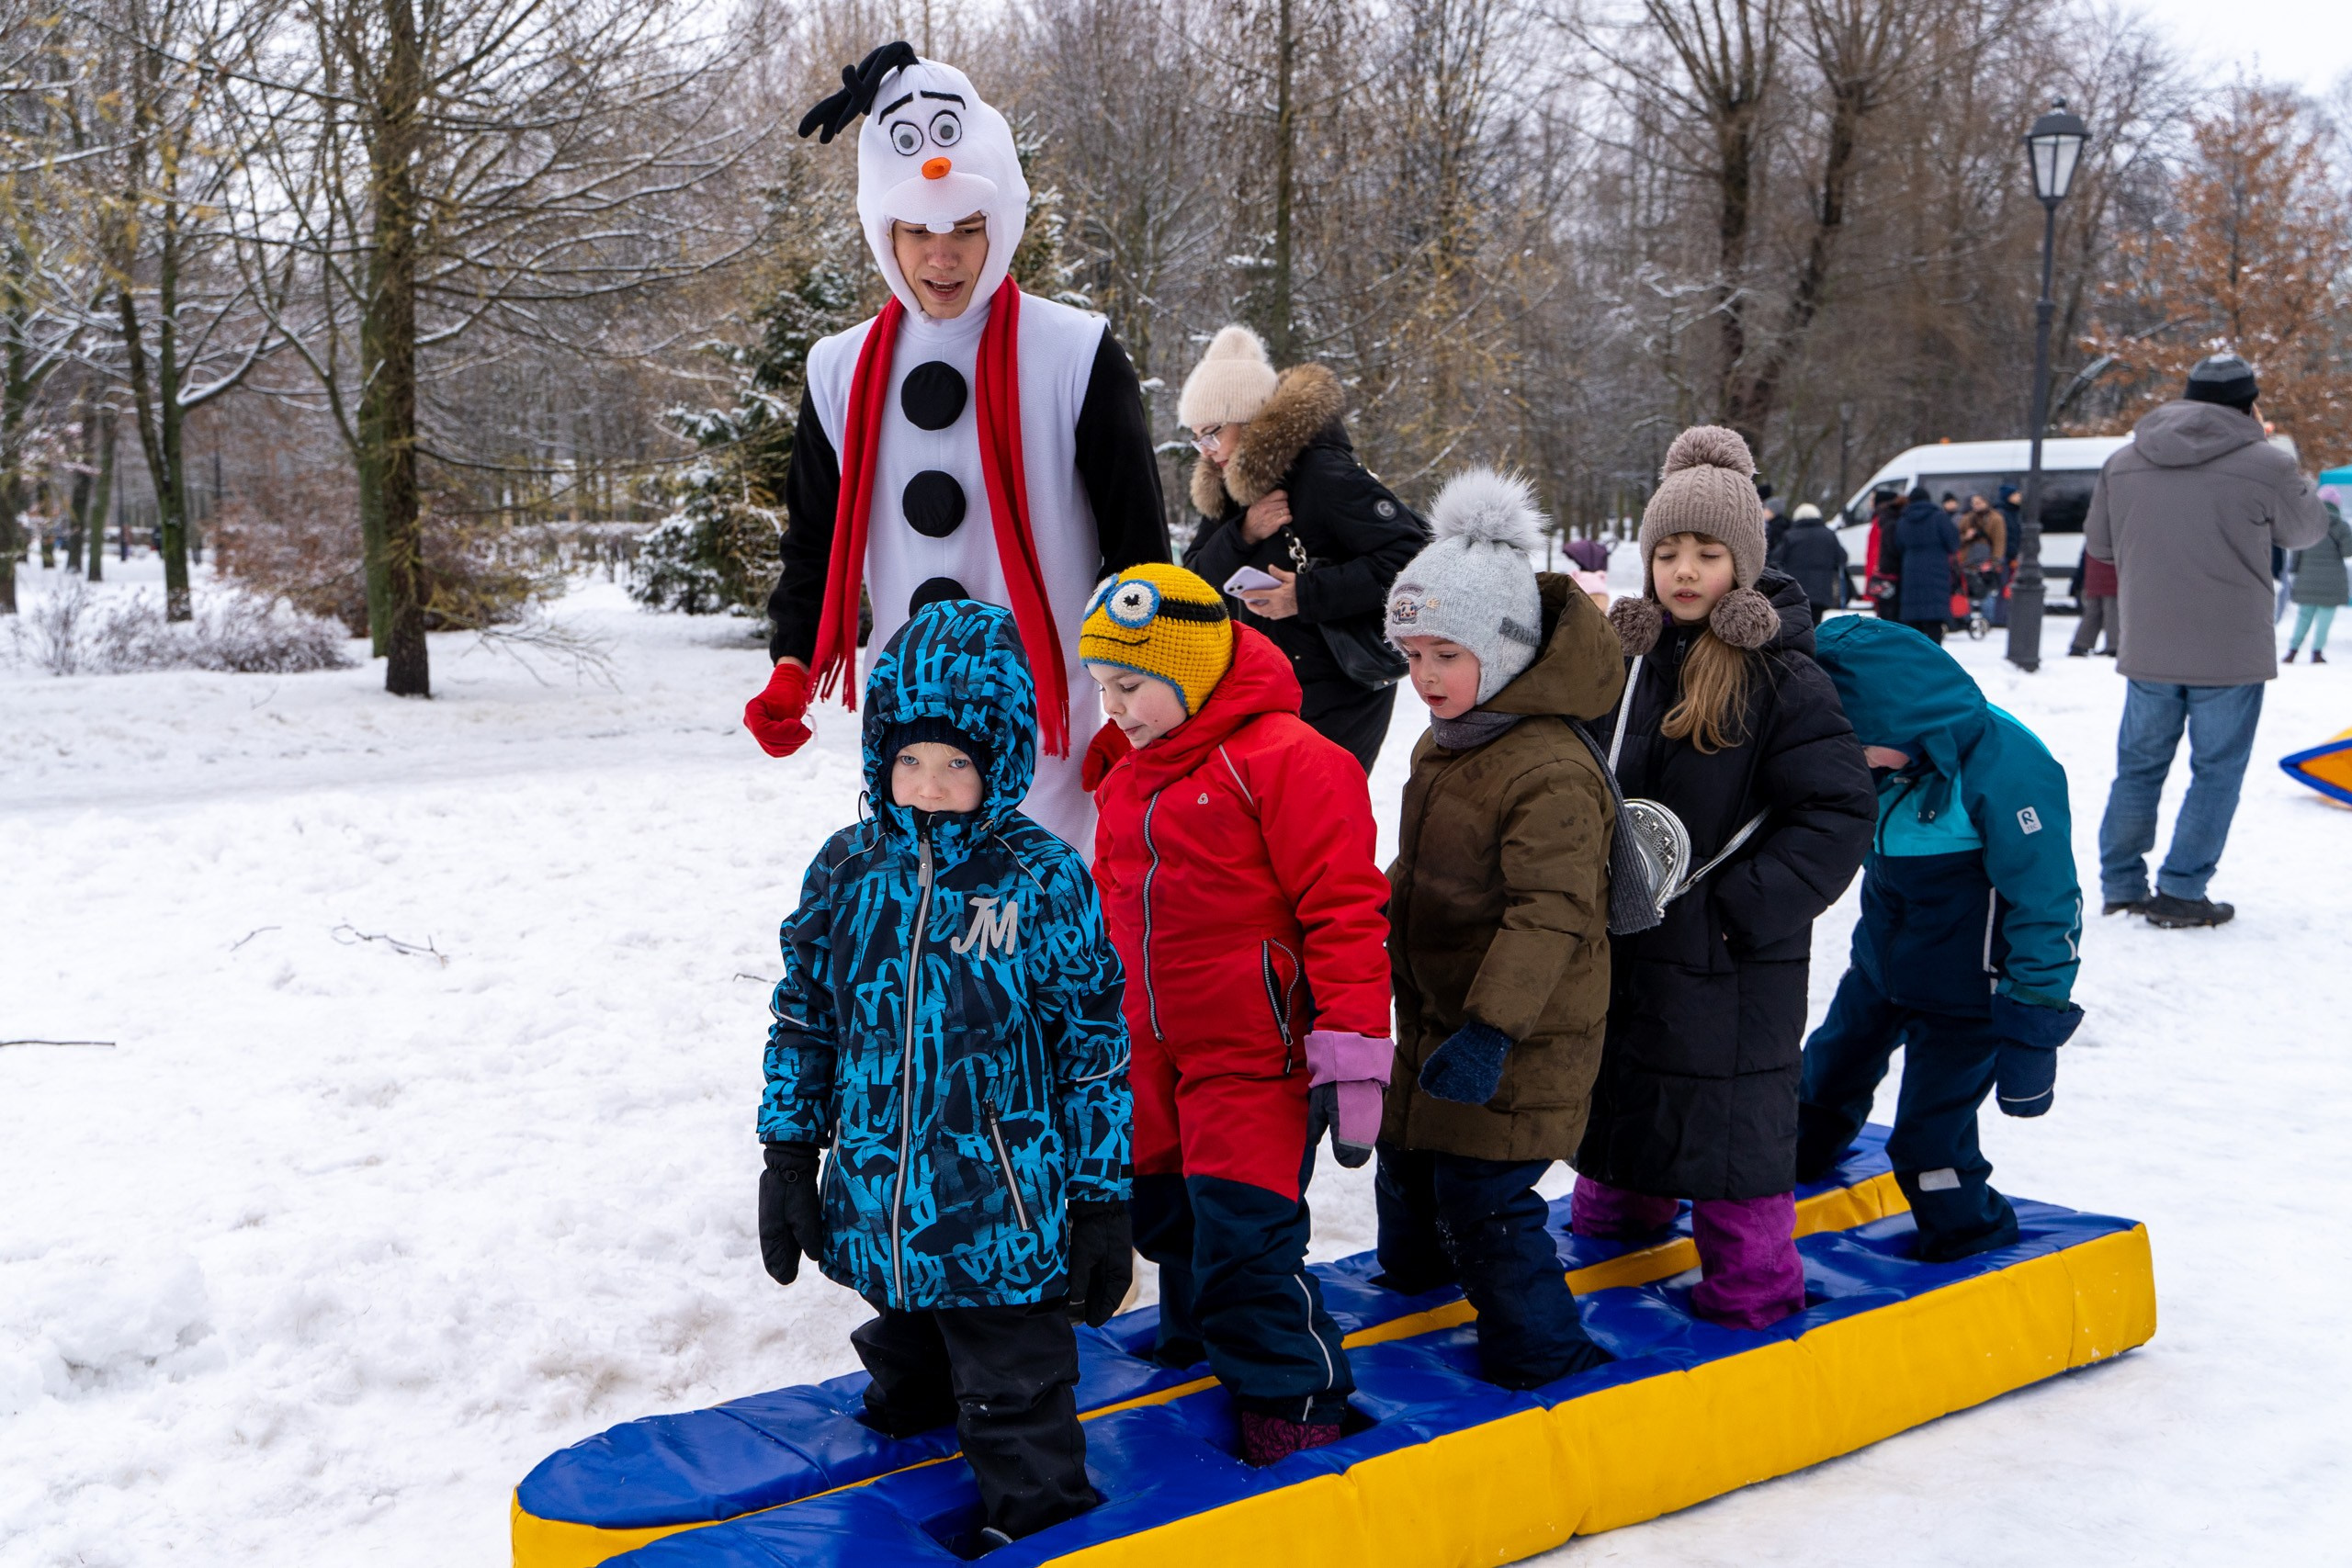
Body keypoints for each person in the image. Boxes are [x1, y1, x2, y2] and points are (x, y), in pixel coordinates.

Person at [757, 599, 1133, 1548]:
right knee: (906, 1353)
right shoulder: (846, 870)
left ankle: (1042, 1531)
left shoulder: (1040, 878)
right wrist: (789, 1153)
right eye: (910, 760)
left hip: (1003, 1219)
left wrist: (1099, 1202)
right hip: (883, 1203)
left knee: (1015, 1402)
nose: (928, 785)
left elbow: (1092, 1048)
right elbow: (806, 1018)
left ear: (1000, 759)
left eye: (957, 763)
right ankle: (907, 1491)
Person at [744, 44, 1169, 850]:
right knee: (924, 924)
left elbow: (1139, 554)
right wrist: (793, 662)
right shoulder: (837, 371)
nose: (943, 256)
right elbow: (813, 539)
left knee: (1042, 937)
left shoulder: (1076, 351)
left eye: (967, 229)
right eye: (918, 230)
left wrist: (1135, 701)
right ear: (885, 232)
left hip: (1056, 728)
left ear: (999, 223)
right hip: (913, 733)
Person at [1083, 563, 1392, 1465]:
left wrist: (1353, 1052)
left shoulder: (1290, 762)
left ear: (1191, 671)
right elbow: (1111, 917)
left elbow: (1343, 910)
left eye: (1132, 686)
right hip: (1149, 1052)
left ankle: (1294, 1404)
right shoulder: (1130, 772)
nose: (1114, 708)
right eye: (1104, 688)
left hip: (1255, 1057)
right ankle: (1193, 1351)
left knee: (1243, 1246)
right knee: (1165, 1220)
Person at [1572, 427, 1876, 1331]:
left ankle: (1752, 1294)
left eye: (1706, 553)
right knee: (1622, 1102)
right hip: (1630, 940)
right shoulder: (1626, 666)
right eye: (1667, 552)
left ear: (1740, 563)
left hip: (1733, 963)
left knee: (1732, 1136)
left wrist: (1742, 911)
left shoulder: (1780, 677)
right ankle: (1610, 1242)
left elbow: (1835, 811)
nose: (1684, 570)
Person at [1374, 468, 1625, 1387]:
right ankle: (1413, 1292)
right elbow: (1427, 864)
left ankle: (1543, 1356)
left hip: (1519, 1033)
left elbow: (1549, 914)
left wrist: (1489, 1031)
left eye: (1448, 653)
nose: (1425, 676)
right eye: (1413, 654)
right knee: (1405, 1168)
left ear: (1507, 651)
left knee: (1482, 1197)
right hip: (1437, 1016)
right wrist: (1373, 908)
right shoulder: (1450, 744)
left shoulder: (1546, 769)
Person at [1798, 617, 2085, 1262]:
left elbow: (2047, 901)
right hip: (1881, 971)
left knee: (1930, 1141)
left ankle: (1970, 1236)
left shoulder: (2007, 770)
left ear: (1907, 725)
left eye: (1860, 746)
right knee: (1819, 1082)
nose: (1851, 763)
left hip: (1968, 997)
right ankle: (1795, 1169)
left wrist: (2032, 1025)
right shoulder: (1882, 765)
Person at [2087, 353, 2330, 929]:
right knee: (2216, 771)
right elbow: (2307, 531)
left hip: (2148, 641)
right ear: (2250, 404)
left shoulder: (2122, 461)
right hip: (2231, 648)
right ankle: (2181, 890)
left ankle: (2121, 884)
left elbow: (2100, 546)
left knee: (2138, 766)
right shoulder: (2267, 463)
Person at [1179, 326, 1429, 773]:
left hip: (1341, 684)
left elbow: (1413, 558)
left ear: (1249, 418)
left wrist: (1304, 595)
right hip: (1262, 688)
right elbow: (1195, 577)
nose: (1207, 451)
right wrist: (1244, 534)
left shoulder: (1323, 473)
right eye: (1197, 438)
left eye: (1213, 433)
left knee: (1321, 821)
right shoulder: (1226, 486)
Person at [2283, 493, 2350, 664]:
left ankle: (2293, 650)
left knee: (2304, 617)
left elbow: (2296, 553)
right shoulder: (2342, 526)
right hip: (2332, 582)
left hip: (2307, 578)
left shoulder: (2307, 525)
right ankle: (2317, 652)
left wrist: (2294, 572)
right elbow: (2347, 552)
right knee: (2325, 620)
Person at [1889, 484, 1961, 642]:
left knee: (1914, 624)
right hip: (1936, 572)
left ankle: (1918, 659)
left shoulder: (1903, 521)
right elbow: (1954, 543)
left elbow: (1899, 545)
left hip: (1911, 571)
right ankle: (1934, 657)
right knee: (1934, 621)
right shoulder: (1940, 518)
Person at [1772, 501, 1849, 624]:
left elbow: (1776, 558)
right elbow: (1842, 558)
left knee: (1797, 624)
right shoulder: (1829, 535)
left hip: (1796, 591)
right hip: (1821, 590)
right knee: (1815, 623)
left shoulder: (1791, 536)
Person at [1863, 484, 1904, 619]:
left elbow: (1876, 552)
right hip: (1883, 574)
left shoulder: (1882, 522)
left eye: (1872, 499)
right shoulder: (1884, 520)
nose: (1870, 503)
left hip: (1882, 574)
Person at [2068, 551, 2119, 657]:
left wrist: (2077, 580)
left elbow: (2083, 558)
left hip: (2093, 575)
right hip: (2113, 574)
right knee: (2112, 612)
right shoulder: (2117, 535)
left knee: (2092, 612)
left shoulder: (2092, 537)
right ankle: (2114, 646)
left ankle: (2080, 644)